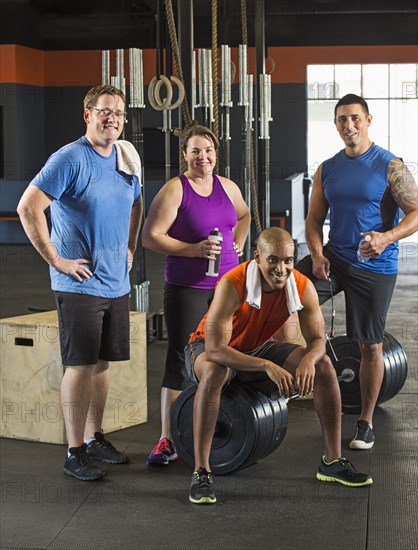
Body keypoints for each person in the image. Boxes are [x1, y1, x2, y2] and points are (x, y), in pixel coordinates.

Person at [185, 227, 372, 505]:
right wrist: (265, 366)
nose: (281, 268)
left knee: (323, 367)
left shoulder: (300, 285)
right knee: (215, 372)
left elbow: (319, 338)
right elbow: (215, 349)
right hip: (208, 349)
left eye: (287, 260)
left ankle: (332, 461)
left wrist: (309, 358)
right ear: (257, 257)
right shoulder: (232, 284)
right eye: (273, 260)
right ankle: (202, 471)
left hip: (257, 345)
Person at [17, 85, 143, 481]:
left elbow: (137, 202)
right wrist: (57, 259)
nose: (113, 119)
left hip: (115, 282)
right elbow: (28, 207)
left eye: (119, 113)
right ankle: (74, 452)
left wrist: (130, 246)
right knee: (80, 365)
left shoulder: (125, 157)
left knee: (102, 365)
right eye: (105, 112)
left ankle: (93, 438)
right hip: (80, 284)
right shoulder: (70, 158)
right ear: (87, 114)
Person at [297, 93, 418, 450]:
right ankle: (312, 358)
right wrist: (317, 256)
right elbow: (314, 221)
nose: (348, 125)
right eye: (341, 119)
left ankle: (364, 421)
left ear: (368, 120)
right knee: (288, 294)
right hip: (335, 259)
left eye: (354, 118)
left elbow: (415, 212)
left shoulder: (390, 165)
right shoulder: (328, 168)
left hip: (375, 265)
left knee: (369, 346)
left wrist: (386, 238)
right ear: (335, 125)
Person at [142, 124, 250, 465]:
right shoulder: (175, 190)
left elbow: (244, 215)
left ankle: (222, 423)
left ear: (216, 155)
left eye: (208, 151)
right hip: (187, 289)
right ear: (185, 156)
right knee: (180, 359)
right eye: (195, 151)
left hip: (227, 289)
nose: (203, 157)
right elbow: (150, 236)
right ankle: (167, 440)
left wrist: (240, 241)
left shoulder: (227, 186)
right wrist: (193, 250)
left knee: (227, 355)